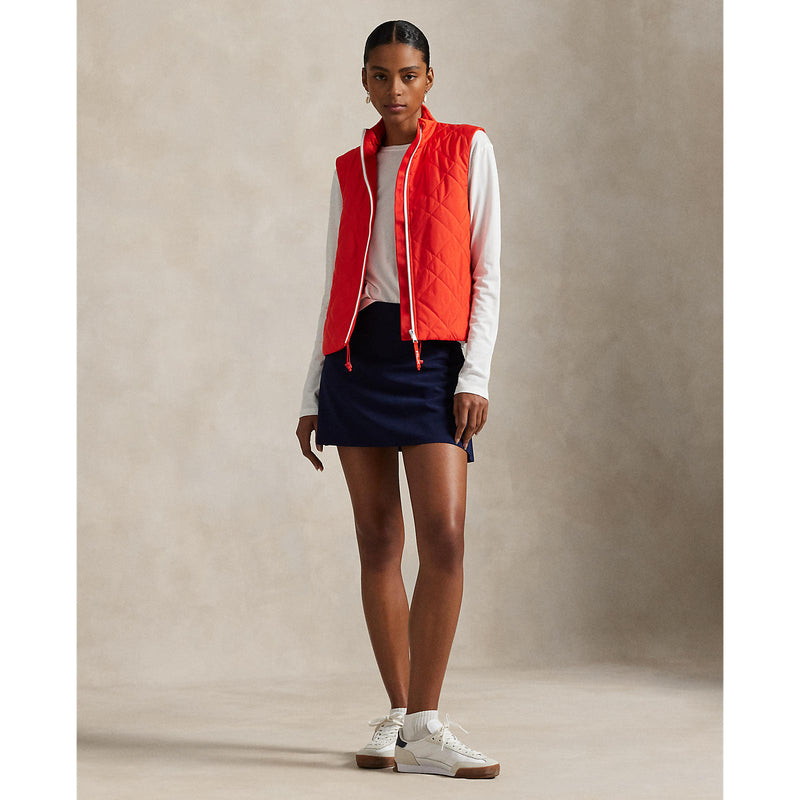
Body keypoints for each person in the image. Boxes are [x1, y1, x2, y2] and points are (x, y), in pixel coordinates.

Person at [295, 20, 501, 780]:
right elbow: (335, 281)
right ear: (364, 81)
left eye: (408, 75)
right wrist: (313, 390)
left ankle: (426, 722)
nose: (394, 89)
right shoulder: (350, 168)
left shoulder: (468, 149)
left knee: (444, 536)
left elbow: (488, 269)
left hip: (433, 360)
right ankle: (403, 716)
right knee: (378, 541)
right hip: (356, 360)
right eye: (380, 76)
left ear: (429, 78)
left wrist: (474, 375)